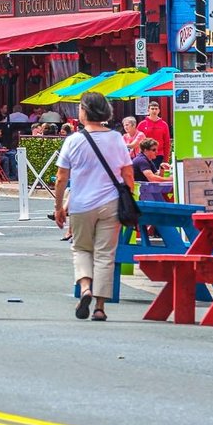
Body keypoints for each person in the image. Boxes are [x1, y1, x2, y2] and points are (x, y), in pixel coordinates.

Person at [53, 92, 133, 322]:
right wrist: (129, 195)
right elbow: (127, 172)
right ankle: (99, 306)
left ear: (85, 111)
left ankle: (85, 287)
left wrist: (59, 206)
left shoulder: (73, 140)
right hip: (110, 203)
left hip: (80, 204)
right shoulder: (117, 138)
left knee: (81, 249)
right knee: (105, 255)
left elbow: (61, 177)